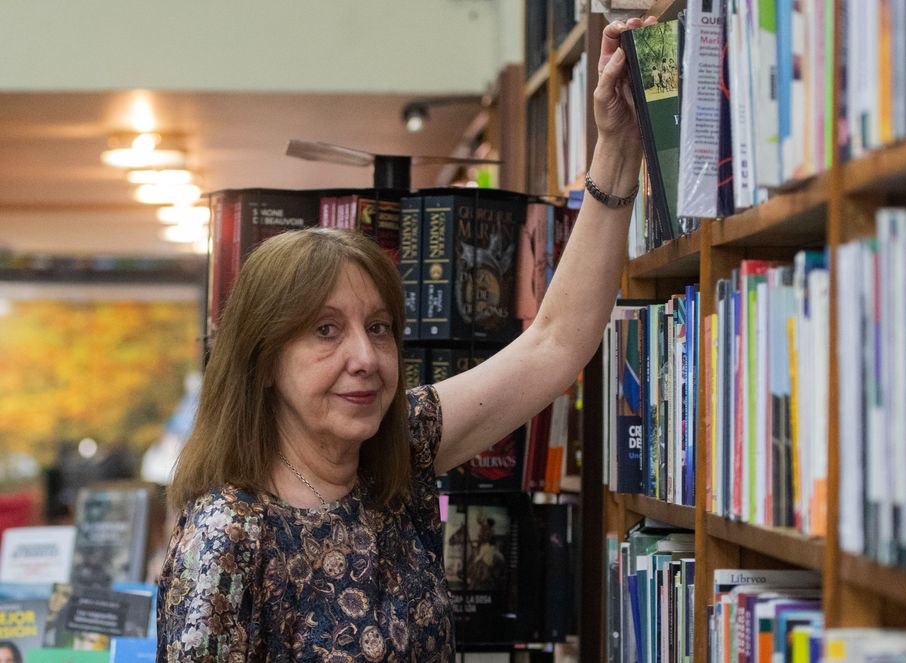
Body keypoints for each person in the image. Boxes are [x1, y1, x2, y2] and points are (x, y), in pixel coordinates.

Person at [156, 15, 656, 662]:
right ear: (263, 362)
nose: (364, 358)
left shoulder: (402, 446)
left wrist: (617, 148)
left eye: (380, 328)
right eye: (325, 330)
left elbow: (555, 342)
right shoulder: (226, 537)